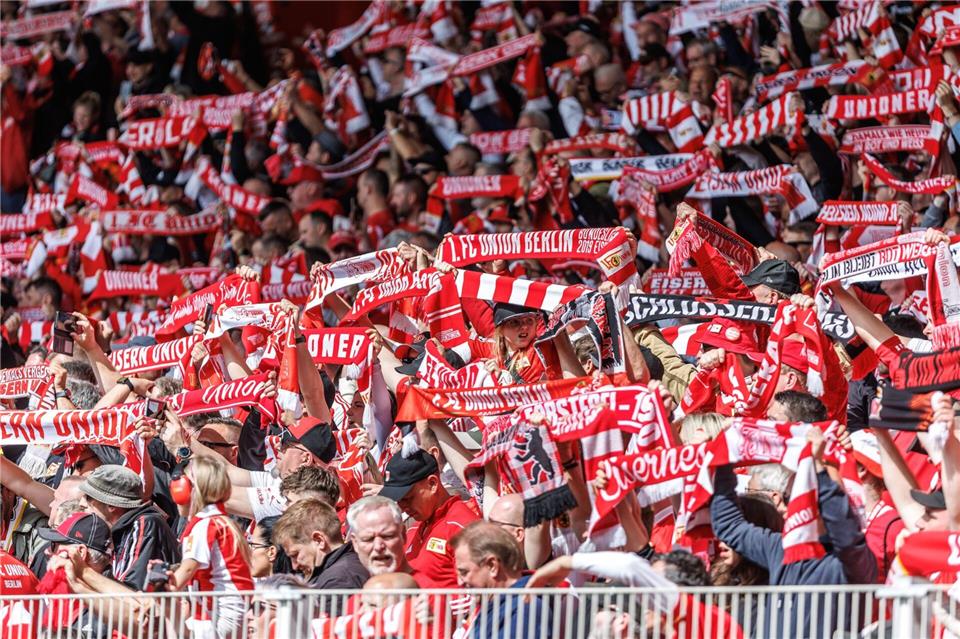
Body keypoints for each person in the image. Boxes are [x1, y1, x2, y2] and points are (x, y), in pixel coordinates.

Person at [165, 456, 253, 639]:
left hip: (219, 613)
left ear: (193, 489)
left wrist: (164, 589)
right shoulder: (219, 520)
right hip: (218, 611)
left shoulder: (206, 524)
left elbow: (189, 567)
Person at [379, 449, 480, 589]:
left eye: (407, 499)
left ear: (432, 484)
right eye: (399, 501)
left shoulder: (462, 527)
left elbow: (479, 595)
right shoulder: (413, 528)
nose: (402, 508)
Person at [78, 465, 179, 590]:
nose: (81, 503)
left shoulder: (145, 523)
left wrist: (83, 572)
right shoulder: (119, 530)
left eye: (88, 497)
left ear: (111, 505)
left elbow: (130, 590)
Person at [451, 521, 555, 639]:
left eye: (464, 572)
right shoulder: (492, 605)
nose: (460, 582)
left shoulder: (524, 610)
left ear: (492, 566)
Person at [272, 498, 368, 589]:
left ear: (319, 540)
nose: (294, 566)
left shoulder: (339, 581)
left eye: (295, 555)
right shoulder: (337, 572)